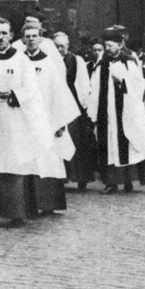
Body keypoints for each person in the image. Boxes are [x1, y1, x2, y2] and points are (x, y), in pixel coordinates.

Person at [0, 18, 49, 227]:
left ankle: (15, 213)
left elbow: (32, 90)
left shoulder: (22, 61)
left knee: (13, 166)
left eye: (4, 33)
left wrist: (14, 93)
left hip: (13, 119)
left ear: (11, 35)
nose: (0, 37)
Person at [21, 24, 80, 216]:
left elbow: (59, 93)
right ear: (23, 39)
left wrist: (61, 122)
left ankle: (48, 203)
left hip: (47, 120)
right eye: (27, 36)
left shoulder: (49, 63)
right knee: (29, 160)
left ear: (40, 40)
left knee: (48, 161)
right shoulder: (19, 61)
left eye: (34, 36)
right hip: (26, 121)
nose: (31, 39)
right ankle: (29, 205)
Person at [87, 29, 145, 194]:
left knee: (126, 146)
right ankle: (111, 182)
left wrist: (122, 82)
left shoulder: (128, 62)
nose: (108, 48)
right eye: (106, 46)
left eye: (110, 45)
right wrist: (93, 113)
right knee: (108, 146)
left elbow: (138, 87)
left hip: (124, 113)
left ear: (120, 45)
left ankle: (127, 181)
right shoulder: (102, 64)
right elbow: (95, 88)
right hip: (106, 114)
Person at [54, 31, 96, 189]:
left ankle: (80, 177)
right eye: (56, 46)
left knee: (77, 140)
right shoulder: (49, 61)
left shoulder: (75, 60)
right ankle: (61, 177)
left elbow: (83, 84)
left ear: (67, 46)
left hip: (73, 103)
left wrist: (83, 104)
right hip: (57, 103)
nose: (59, 50)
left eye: (62, 47)